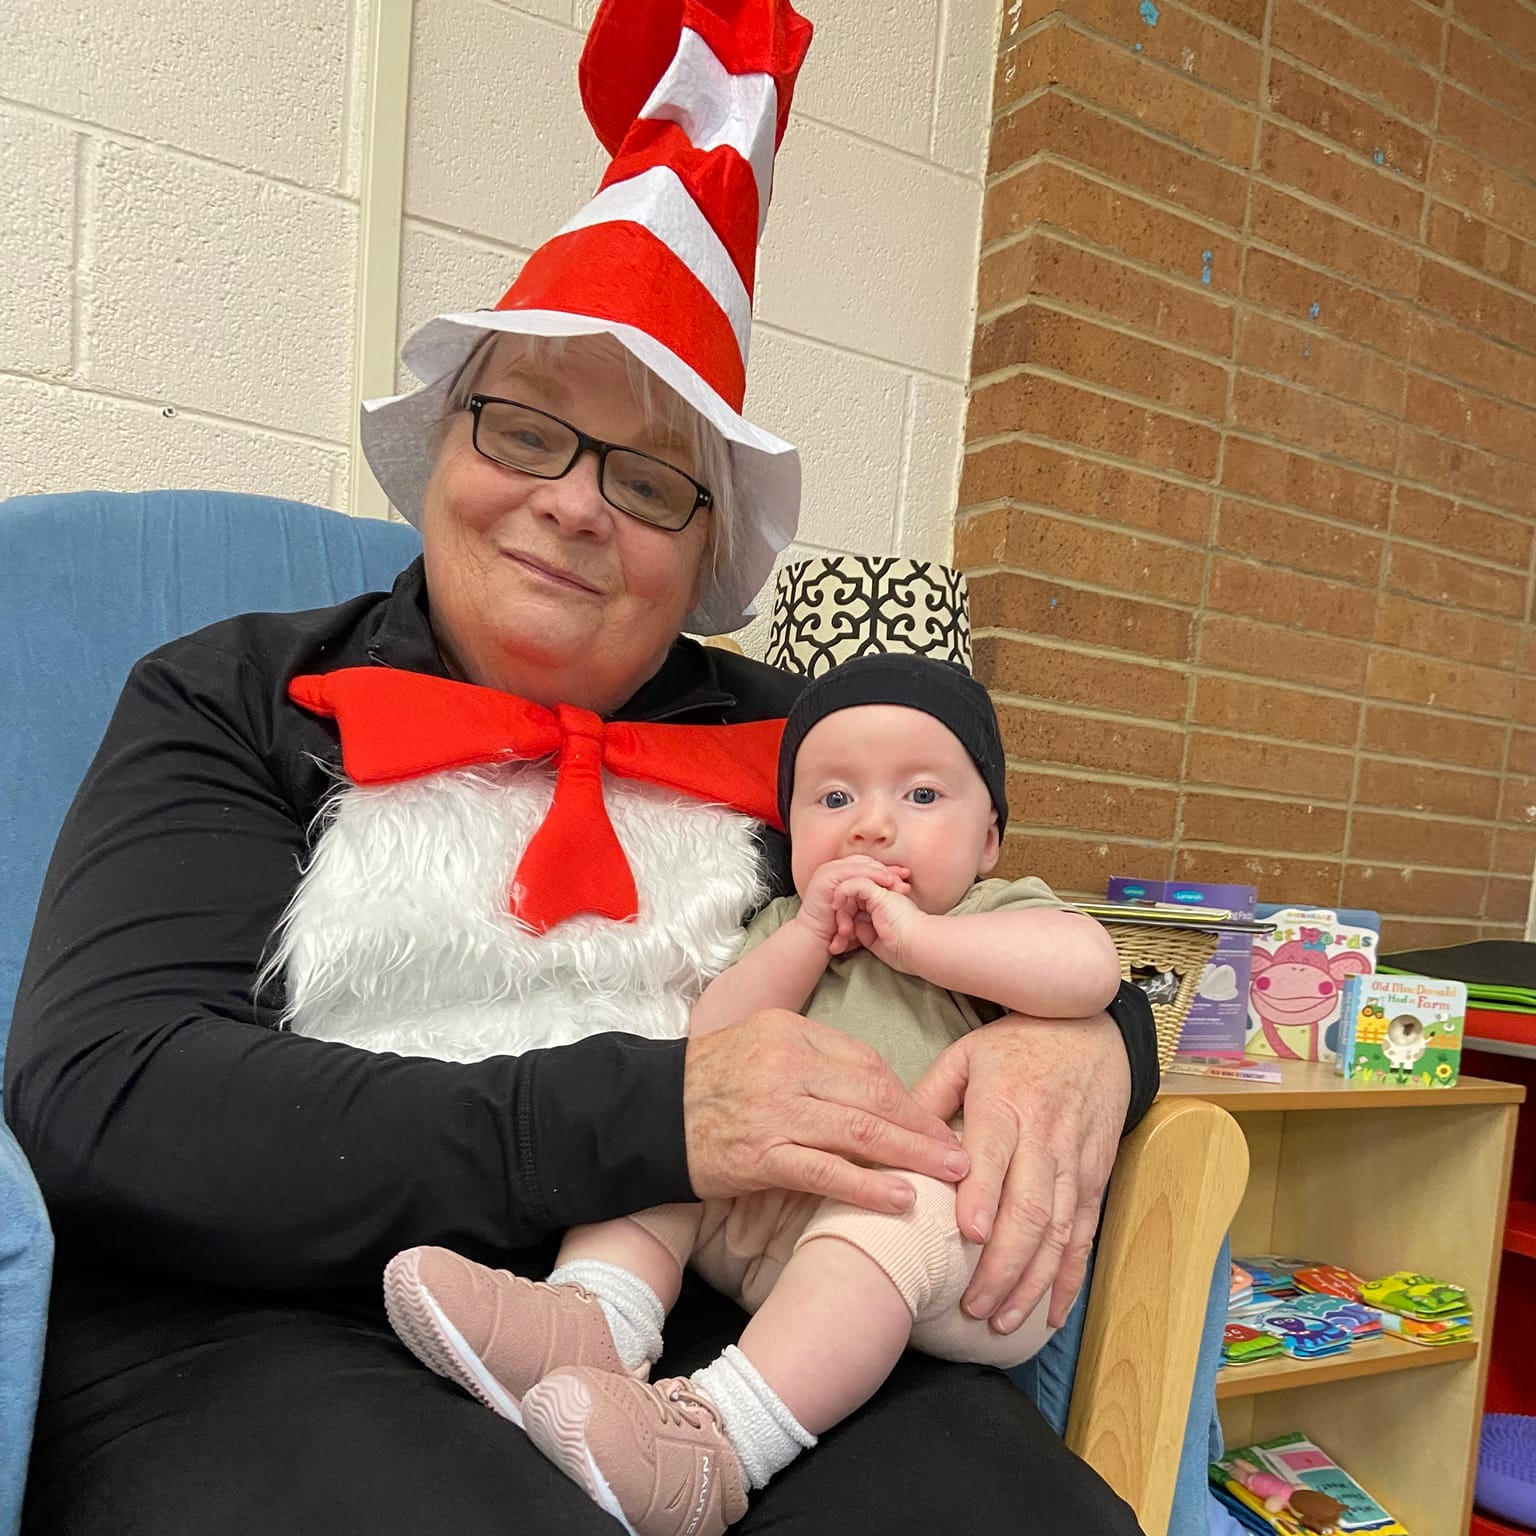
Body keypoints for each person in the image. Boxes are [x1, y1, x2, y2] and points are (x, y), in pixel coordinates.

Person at [5, 3, 1156, 1533]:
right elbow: (106, 1095)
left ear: (707, 555)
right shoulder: (237, 691)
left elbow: (993, 902)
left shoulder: (793, 748)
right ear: (444, 444)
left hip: (724, 1343)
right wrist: (654, 1112)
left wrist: (1079, 1045)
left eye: (650, 477)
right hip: (271, 1316)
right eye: (528, 428)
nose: (573, 507)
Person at [383, 654, 1126, 1536]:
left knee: (895, 1213)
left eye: (922, 797)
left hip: (946, 1253)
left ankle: (716, 1441)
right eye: (834, 799)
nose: (872, 829)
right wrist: (809, 937)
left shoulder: (993, 913)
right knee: (678, 1121)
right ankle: (592, 1319)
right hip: (773, 1226)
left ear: (990, 839)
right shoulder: (783, 927)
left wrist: (923, 944)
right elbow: (711, 1046)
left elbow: (1090, 970)